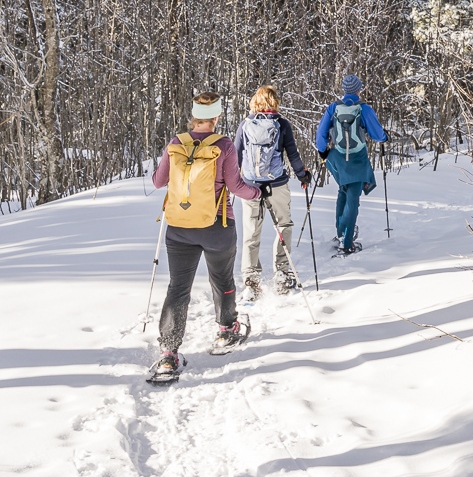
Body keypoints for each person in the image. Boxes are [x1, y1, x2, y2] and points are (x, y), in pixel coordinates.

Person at [148, 92, 262, 382]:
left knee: (178, 288)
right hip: (217, 225)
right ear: (217, 116)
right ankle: (226, 331)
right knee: (222, 279)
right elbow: (236, 186)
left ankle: (168, 355)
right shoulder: (223, 145)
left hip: (179, 229)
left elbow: (158, 181)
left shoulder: (176, 143)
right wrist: (258, 193)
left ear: (194, 114)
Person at [234, 84, 312, 299]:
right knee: (283, 225)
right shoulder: (282, 124)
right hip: (276, 183)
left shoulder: (245, 124)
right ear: (275, 101)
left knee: (251, 232)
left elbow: (236, 155)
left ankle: (251, 280)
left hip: (249, 185)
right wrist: (302, 174)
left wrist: (232, 181)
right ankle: (282, 273)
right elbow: (292, 153)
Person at [315, 74, 384, 255]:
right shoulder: (364, 109)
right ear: (359, 90)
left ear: (344, 90)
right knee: (353, 198)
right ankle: (347, 243)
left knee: (343, 191)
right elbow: (377, 134)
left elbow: (321, 133)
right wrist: (385, 138)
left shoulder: (333, 108)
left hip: (337, 157)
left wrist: (323, 151)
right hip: (357, 158)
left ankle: (340, 232)